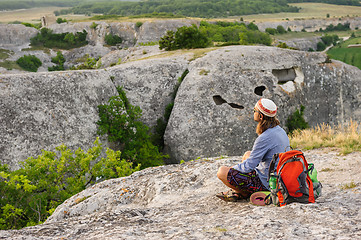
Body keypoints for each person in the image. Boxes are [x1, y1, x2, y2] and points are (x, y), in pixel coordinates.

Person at [216, 98, 290, 202]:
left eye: (255, 110)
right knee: (247, 154)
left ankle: (243, 192)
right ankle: (239, 191)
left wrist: (232, 168)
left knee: (221, 172)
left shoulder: (264, 137)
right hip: (277, 175)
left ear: (260, 116)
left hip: (268, 182)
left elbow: (249, 166)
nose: (253, 112)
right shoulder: (280, 130)